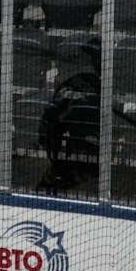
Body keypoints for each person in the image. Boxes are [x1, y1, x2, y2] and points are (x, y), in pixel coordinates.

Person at [38, 39, 101, 194]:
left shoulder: (85, 83)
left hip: (77, 146)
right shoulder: (76, 83)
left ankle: (60, 178)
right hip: (75, 145)